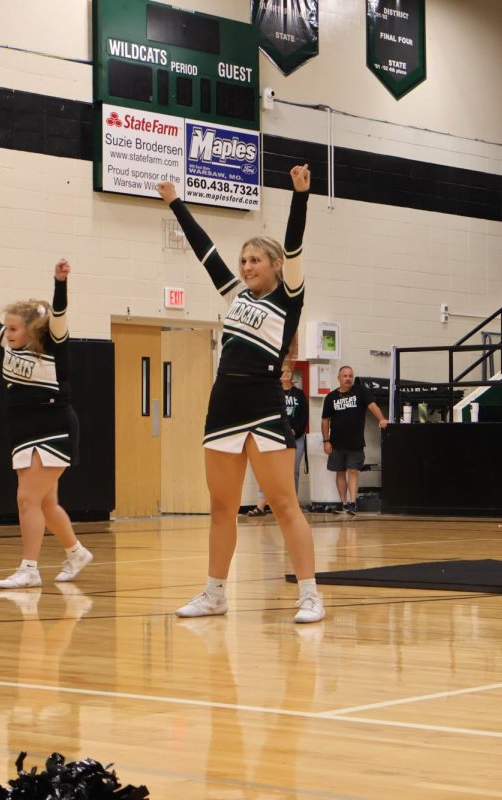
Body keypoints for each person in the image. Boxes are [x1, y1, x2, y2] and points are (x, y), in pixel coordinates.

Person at [158, 165, 325, 624]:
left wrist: (300, 197)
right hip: (224, 405)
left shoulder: (288, 298)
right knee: (221, 506)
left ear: (275, 266)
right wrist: (175, 202)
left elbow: (294, 246)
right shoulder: (236, 297)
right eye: (244, 260)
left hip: (263, 403)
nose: (247, 266)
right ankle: (215, 593)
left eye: (256, 260)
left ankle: (310, 594)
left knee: (285, 504)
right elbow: (204, 250)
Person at [0, 260, 92, 589]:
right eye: (6, 328)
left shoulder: (54, 348)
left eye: (13, 329)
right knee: (46, 503)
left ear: (32, 330)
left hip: (54, 427)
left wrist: (60, 282)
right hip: (24, 431)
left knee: (26, 499)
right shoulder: (9, 345)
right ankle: (76, 552)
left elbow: (60, 312)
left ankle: (29, 568)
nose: (6, 333)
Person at [321, 366, 388, 515]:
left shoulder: (360, 391)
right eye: (344, 376)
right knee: (340, 472)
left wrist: (382, 419)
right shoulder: (331, 397)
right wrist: (326, 440)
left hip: (355, 442)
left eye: (350, 375)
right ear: (338, 378)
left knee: (353, 471)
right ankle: (344, 503)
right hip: (336, 442)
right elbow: (325, 420)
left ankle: (352, 503)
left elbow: (372, 406)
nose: (348, 378)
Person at [246, 365, 309, 516]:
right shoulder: (272, 393)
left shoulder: (299, 394)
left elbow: (304, 416)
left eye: (288, 371)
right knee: (268, 471)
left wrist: (295, 430)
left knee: (292, 471)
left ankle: (291, 504)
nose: (285, 374)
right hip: (275, 437)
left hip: (295, 438)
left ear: (292, 375)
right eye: (283, 371)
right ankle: (261, 505)